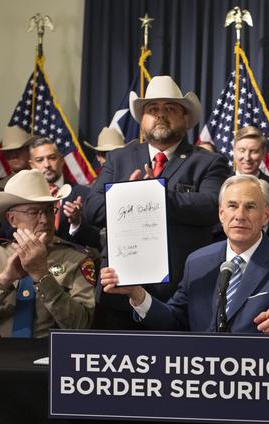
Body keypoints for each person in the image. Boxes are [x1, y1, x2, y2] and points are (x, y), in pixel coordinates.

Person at [84, 75, 230, 329]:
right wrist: (130, 197)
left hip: (179, 290)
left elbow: (210, 207)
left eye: (170, 108)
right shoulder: (119, 158)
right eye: (153, 109)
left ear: (185, 118)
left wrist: (155, 194)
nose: (160, 115)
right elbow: (92, 209)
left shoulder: (208, 162)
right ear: (142, 120)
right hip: (119, 286)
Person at [100, 175, 269, 333]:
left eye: (250, 207)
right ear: (221, 214)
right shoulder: (198, 261)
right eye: (232, 206)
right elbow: (173, 320)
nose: (240, 215)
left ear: (266, 215)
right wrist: (137, 294)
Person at [0, 170, 95, 337]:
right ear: (11, 219)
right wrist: (4, 280)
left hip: (52, 354)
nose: (45, 220)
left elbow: (81, 326)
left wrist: (42, 275)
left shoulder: (76, 259)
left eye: (49, 210)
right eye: (34, 212)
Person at [29, 136, 101, 250]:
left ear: (62, 160)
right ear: (32, 165)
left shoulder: (84, 194)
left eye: (52, 158)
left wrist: (77, 223)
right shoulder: (26, 198)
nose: (47, 164)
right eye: (40, 160)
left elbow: (97, 239)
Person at [231, 126, 269, 244]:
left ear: (263, 154)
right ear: (234, 151)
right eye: (242, 150)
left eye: (253, 151)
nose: (247, 158)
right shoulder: (218, 184)